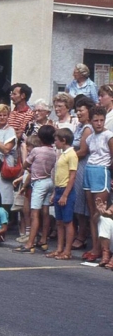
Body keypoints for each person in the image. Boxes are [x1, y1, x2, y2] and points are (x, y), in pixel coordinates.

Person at [14, 125, 56, 253]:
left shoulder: (36, 151)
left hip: (38, 182)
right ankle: (43, 239)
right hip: (49, 180)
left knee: (34, 213)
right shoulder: (53, 151)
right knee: (45, 211)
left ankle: (30, 243)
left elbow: (26, 164)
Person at [81, 106, 113, 261]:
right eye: (96, 120)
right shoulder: (90, 137)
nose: (99, 123)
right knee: (91, 211)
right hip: (89, 170)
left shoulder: (109, 136)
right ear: (91, 121)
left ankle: (103, 248)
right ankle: (95, 247)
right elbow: (86, 153)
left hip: (101, 171)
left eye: (101, 120)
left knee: (100, 211)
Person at [47, 128, 77, 260]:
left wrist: (65, 195)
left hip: (66, 190)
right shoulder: (63, 154)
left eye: (56, 140)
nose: (55, 143)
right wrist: (55, 192)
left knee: (67, 221)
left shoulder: (72, 154)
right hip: (59, 189)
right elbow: (59, 176)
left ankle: (67, 250)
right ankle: (59, 248)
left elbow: (72, 176)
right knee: (59, 221)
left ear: (63, 140)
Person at [71, 98, 95, 253]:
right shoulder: (79, 126)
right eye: (77, 110)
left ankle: (82, 236)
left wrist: (67, 156)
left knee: (81, 203)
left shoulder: (87, 128)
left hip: (83, 165)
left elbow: (83, 150)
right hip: (75, 165)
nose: (78, 113)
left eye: (81, 110)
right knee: (76, 202)